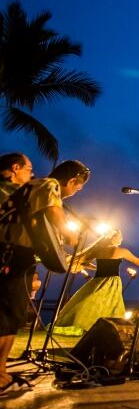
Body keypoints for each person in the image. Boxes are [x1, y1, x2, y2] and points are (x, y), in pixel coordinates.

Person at [0, 160, 89, 393]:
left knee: (12, 313)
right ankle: (0, 375)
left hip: (15, 253)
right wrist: (70, 234)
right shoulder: (49, 185)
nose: (75, 193)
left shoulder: (32, 190)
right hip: (12, 254)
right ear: (71, 181)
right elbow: (55, 213)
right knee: (8, 315)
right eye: (77, 189)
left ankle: (2, 372)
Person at [51, 229, 139, 336]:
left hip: (97, 280)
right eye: (120, 237)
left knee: (89, 303)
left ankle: (88, 326)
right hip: (112, 281)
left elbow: (85, 263)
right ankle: (110, 329)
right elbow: (137, 261)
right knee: (111, 306)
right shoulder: (121, 251)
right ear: (116, 238)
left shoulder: (98, 250)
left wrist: (97, 267)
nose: (120, 239)